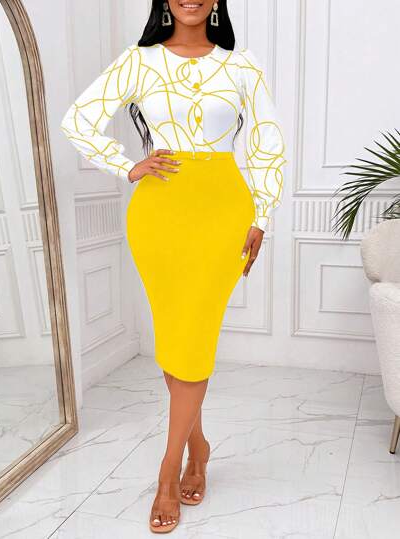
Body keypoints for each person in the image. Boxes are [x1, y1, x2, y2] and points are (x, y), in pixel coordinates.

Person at [60, 0, 286, 533]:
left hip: (223, 213)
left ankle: (169, 469)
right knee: (175, 335)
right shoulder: (138, 61)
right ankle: (198, 445)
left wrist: (263, 216)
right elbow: (78, 120)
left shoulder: (242, 65)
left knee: (194, 336)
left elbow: (267, 141)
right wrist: (127, 165)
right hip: (159, 215)